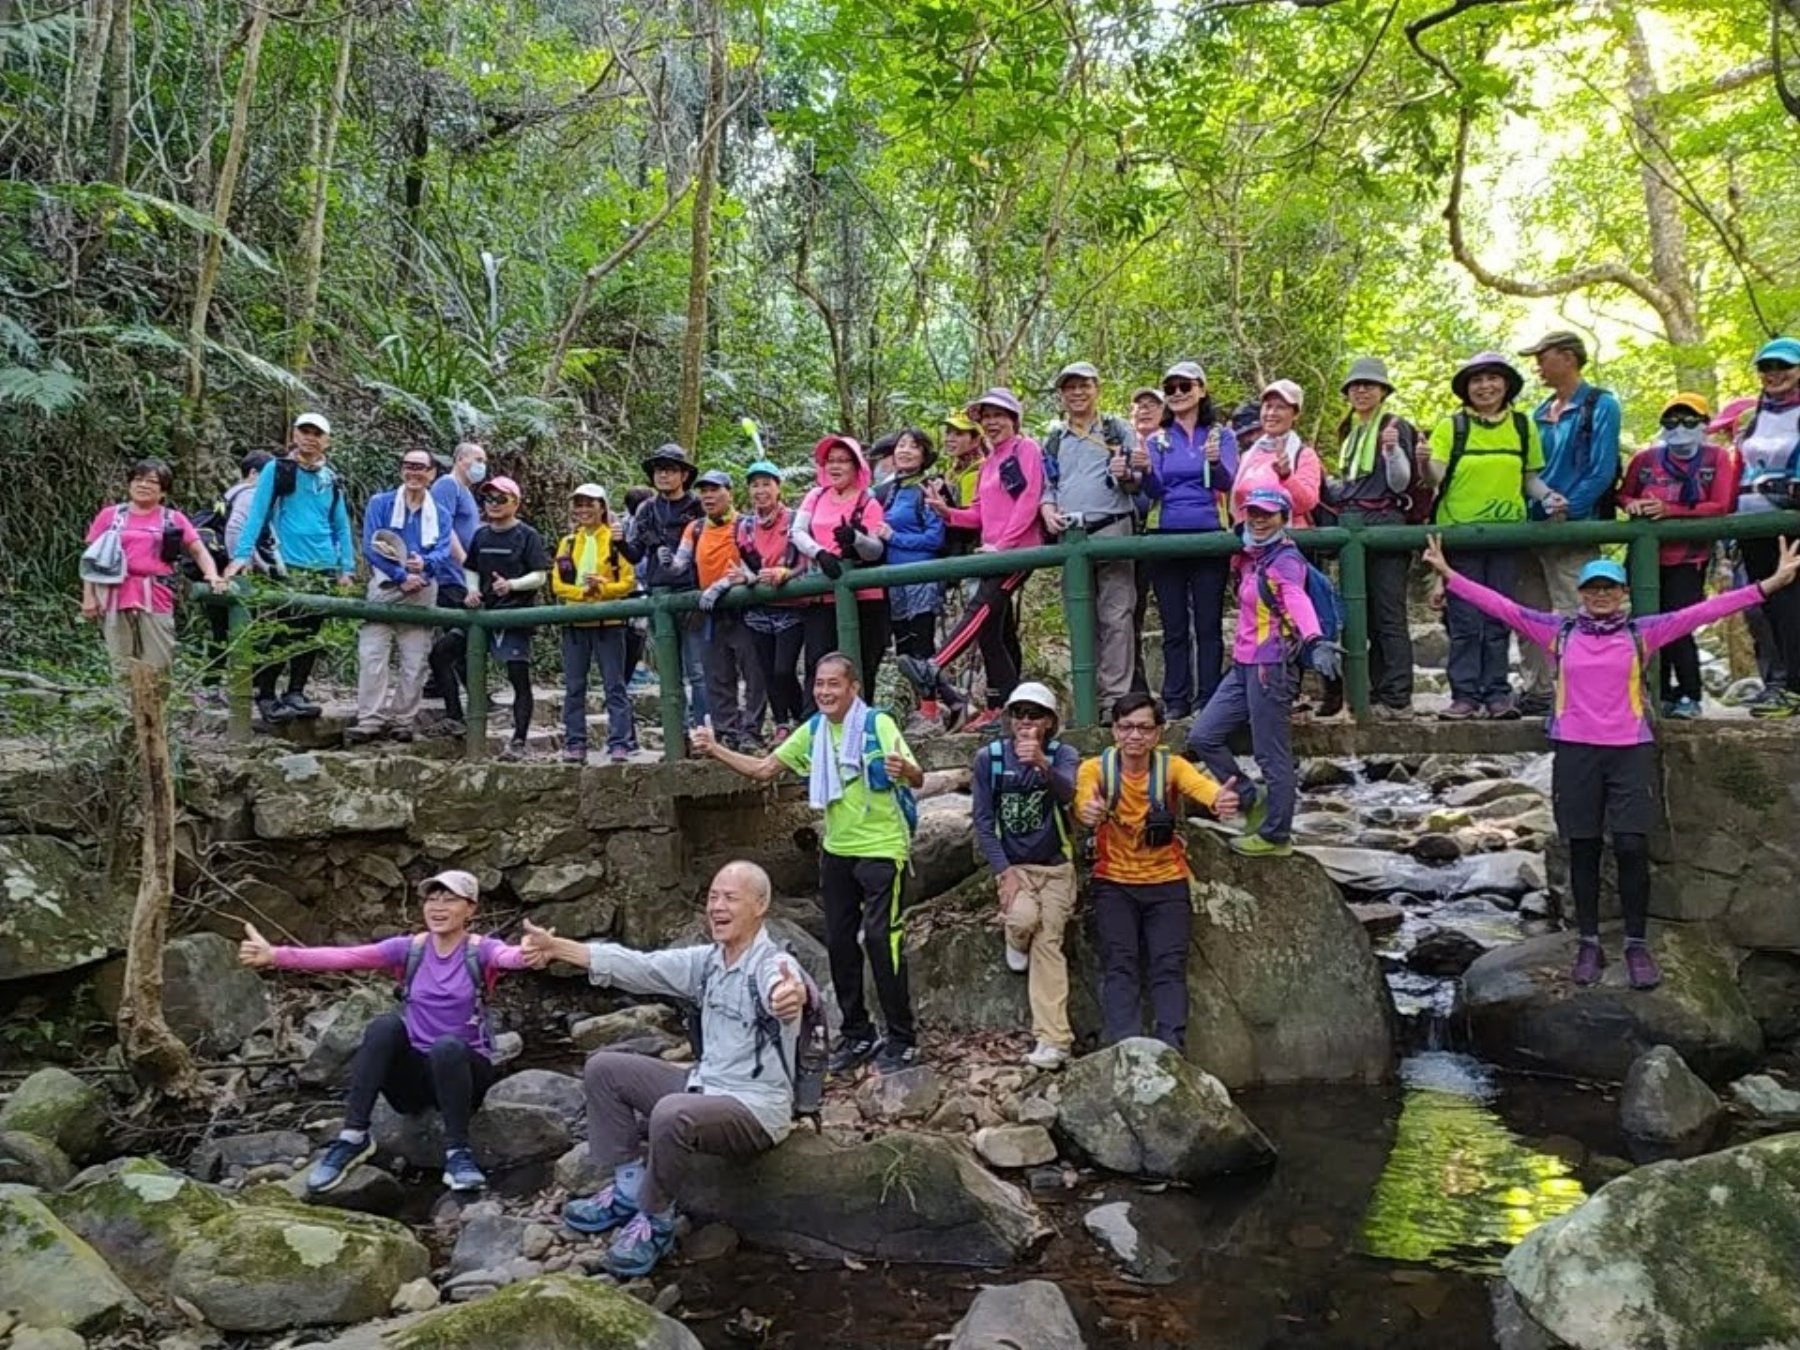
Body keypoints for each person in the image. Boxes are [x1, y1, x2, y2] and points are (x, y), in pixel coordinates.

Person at [1421, 535, 1800, 989]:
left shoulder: (1643, 632)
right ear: (1582, 593)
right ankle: (1589, 941)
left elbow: (1706, 611)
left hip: (1629, 751)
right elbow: (1501, 606)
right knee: (1583, 848)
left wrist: (1772, 583)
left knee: (1631, 845)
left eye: (1609, 588)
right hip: (1575, 751)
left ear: (1623, 593)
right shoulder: (1559, 632)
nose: (1601, 595)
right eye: (1593, 588)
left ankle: (1636, 943)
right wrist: (1449, 574)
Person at [522, 861, 807, 1278]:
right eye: (713, 896)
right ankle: (627, 1188)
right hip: (703, 1085)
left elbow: (786, 990)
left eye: (730, 898)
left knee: (672, 1112)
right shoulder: (707, 962)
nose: (717, 906)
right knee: (604, 1067)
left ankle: (655, 1220)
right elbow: (641, 966)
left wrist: (789, 996)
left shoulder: (773, 965)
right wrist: (559, 948)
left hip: (755, 1108)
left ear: (760, 905)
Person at [693, 653, 924, 1075]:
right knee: (839, 941)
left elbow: (918, 777)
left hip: (883, 848)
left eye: (834, 684)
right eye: (819, 684)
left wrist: (905, 768)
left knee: (881, 939)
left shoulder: (877, 725)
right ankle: (857, 1033)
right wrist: (714, 749)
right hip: (837, 850)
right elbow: (764, 769)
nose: (825, 692)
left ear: (853, 688)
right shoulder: (814, 730)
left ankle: (902, 1038)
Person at [237, 870, 535, 1194]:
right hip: (415, 1083)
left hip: (464, 1075)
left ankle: (458, 1154)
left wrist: (531, 952)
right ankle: (353, 1136)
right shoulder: (409, 949)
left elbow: (511, 956)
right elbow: (345, 957)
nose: (438, 906)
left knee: (447, 1046)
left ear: (470, 908)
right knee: (385, 1026)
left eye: (449, 899)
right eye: (432, 898)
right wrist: (276, 955)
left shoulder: (482, 951)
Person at [1075, 693, 1239, 1050]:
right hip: (1113, 883)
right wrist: (1088, 811)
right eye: (1126, 727)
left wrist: (1219, 799)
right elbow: (1084, 801)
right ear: (1114, 731)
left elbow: (1201, 788)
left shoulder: (1173, 767)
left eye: (1144, 728)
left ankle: (1171, 1048)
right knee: (1120, 964)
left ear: (1158, 733)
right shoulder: (1095, 769)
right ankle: (1126, 1048)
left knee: (1169, 966)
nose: (1134, 736)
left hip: (1167, 883)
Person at [1188, 486, 1337, 858]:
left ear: (1284, 518)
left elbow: (1295, 598)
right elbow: (1242, 533)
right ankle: (1248, 796)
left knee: (1271, 754)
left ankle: (1276, 835)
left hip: (1271, 665)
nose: (1258, 519)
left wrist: (1315, 638)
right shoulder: (1253, 554)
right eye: (1253, 512)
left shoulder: (1285, 561)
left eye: (1267, 514)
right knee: (1204, 735)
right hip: (1243, 665)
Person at [1427, 352, 1562, 720]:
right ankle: (1465, 696)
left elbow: (1529, 480)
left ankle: (1498, 695)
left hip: (1506, 537)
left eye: (1492, 378)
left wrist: (1549, 497)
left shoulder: (1522, 425)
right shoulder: (1451, 426)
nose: (1485, 386)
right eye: (1477, 380)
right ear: (1466, 388)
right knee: (1465, 620)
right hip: (1460, 536)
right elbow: (1434, 477)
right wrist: (1423, 461)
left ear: (1506, 384)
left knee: (1499, 616)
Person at [909, 388, 1047, 733]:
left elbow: (1029, 499)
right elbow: (978, 514)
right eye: (986, 417)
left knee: (981, 608)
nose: (992, 422)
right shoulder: (989, 464)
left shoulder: (1025, 449)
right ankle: (1006, 709)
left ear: (1014, 419)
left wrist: (1004, 545)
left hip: (1017, 551)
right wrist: (947, 512)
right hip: (991, 553)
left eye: (999, 415)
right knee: (990, 634)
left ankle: (934, 665)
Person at [971, 681, 1080, 1070]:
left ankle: (1054, 1039)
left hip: (1055, 868)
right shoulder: (990, 759)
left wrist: (1041, 765)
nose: (1025, 721)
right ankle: (1015, 939)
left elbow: (1070, 795)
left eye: (1034, 715)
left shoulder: (1063, 754)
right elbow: (983, 821)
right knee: (1022, 920)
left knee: (1048, 943)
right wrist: (1004, 872)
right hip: (1016, 867)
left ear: (1049, 721)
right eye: (1018, 713)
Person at [222, 412, 356, 727]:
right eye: (304, 431)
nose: (310, 438)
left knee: (310, 633)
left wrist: (346, 568)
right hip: (288, 563)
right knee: (283, 629)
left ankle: (296, 691)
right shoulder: (278, 469)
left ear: (327, 441)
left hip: (323, 565)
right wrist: (241, 556)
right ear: (294, 435)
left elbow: (341, 525)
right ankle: (266, 694)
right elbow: (257, 514)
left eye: (316, 433)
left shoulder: (331, 479)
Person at [1517, 332, 1625, 717]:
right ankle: (1537, 690)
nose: (1538, 366)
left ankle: (1580, 690)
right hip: (1531, 526)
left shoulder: (1600, 404)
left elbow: (1602, 469)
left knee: (1575, 607)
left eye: (1542, 357)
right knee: (1530, 611)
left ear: (1567, 357)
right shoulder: (1538, 413)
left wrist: (1571, 508)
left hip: (1575, 527)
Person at [1619, 393, 1740, 718]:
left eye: (1689, 420)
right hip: (1645, 558)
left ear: (1704, 424)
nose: (1680, 428)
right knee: (1646, 625)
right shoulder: (1646, 460)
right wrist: (1633, 504)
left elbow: (1720, 505)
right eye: (1671, 421)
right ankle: (1658, 694)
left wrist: (1669, 510)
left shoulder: (1716, 458)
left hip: (1689, 558)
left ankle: (1690, 694)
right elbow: (1624, 493)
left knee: (1678, 626)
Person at [1140, 361, 1239, 718]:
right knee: (1174, 625)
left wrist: (1214, 463)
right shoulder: (1157, 439)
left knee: (1208, 623)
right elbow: (1154, 490)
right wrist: (1144, 470)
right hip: (1165, 535)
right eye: (1171, 388)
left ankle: (1208, 698)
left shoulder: (1220, 436)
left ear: (1201, 389)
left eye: (1185, 386)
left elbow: (1227, 482)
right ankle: (1175, 698)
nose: (1178, 393)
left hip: (1209, 533)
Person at [1041, 362, 1142, 712]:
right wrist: (1047, 510)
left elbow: (1138, 481)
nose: (1077, 393)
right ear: (1061, 395)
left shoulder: (1117, 429)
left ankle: (1114, 699)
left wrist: (1126, 472)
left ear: (1097, 388)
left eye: (1084, 385)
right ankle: (1088, 700)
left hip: (1113, 525)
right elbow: (1048, 485)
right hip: (1071, 535)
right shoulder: (1055, 439)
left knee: (1117, 615)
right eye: (1070, 387)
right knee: (1081, 618)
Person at [428, 476, 550, 757]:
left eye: (500, 499)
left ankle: (519, 740)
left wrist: (512, 585)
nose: (493, 504)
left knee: (518, 676)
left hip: (514, 615)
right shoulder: (481, 535)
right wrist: (472, 590)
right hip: (481, 614)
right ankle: (455, 716)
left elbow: (540, 575)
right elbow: (471, 567)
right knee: (441, 653)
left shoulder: (527, 535)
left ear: (515, 503)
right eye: (488, 499)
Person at [1325, 357, 1419, 719]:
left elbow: (1400, 482)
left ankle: (1397, 696)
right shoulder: (1351, 435)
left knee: (1389, 613)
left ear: (1383, 391)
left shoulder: (1395, 427)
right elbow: (1350, 486)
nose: (1361, 391)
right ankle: (1373, 691)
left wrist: (1392, 451)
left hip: (1385, 524)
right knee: (1360, 614)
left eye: (1369, 385)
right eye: (1355, 386)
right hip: (1353, 524)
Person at [81, 458, 229, 675]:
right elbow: (90, 560)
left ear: (163, 491)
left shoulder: (173, 519)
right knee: (122, 663)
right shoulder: (110, 516)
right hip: (114, 593)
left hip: (156, 592)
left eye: (152, 481)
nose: (143, 485)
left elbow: (198, 550)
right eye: (138, 479)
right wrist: (89, 597)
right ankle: (126, 699)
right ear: (130, 484)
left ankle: (154, 699)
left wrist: (212, 575)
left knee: (158, 664)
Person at [347, 452, 452, 744]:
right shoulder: (381, 503)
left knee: (415, 659)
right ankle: (370, 719)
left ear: (432, 473)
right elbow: (371, 545)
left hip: (422, 589)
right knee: (372, 653)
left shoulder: (440, 513)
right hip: (385, 585)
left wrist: (425, 565)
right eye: (408, 466)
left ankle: (403, 719)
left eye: (420, 467)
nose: (413, 472)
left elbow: (443, 549)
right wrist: (400, 574)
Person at [1730, 337, 1800, 718]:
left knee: (1791, 603)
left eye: (1783, 366)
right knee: (1764, 604)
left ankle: (1795, 688)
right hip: (1749, 522)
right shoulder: (1755, 415)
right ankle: (1779, 683)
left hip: (1787, 523)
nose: (1774, 374)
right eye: (1766, 367)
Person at [789, 436, 890, 694]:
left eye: (843, 461)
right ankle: (816, 717)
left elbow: (876, 549)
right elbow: (797, 531)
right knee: (817, 664)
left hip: (865, 597)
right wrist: (820, 553)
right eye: (830, 461)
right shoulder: (816, 496)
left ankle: (861, 715)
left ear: (856, 466)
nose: (835, 466)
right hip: (822, 592)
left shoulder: (868, 502)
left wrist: (855, 538)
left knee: (861, 666)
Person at [679, 470, 766, 750]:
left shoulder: (746, 525)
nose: (708, 496)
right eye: (704, 491)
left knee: (754, 671)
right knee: (716, 674)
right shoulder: (695, 529)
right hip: (710, 611)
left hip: (744, 608)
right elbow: (680, 564)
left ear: (729, 492)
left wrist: (729, 582)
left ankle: (751, 731)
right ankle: (727, 731)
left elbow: (757, 566)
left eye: (715, 490)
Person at [622, 445, 706, 730]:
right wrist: (619, 542)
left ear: (684, 475)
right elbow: (635, 554)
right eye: (659, 470)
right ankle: (677, 731)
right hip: (658, 591)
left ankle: (703, 730)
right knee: (670, 671)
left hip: (691, 591)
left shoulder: (697, 506)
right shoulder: (647, 509)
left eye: (670, 470)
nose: (663, 475)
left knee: (697, 669)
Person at [552, 484, 637, 763]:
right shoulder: (568, 543)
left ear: (602, 507)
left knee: (614, 685)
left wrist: (603, 588)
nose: (584, 510)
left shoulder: (614, 541)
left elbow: (628, 581)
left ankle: (620, 742)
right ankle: (574, 742)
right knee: (574, 687)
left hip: (609, 623)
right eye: (579, 504)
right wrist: (582, 593)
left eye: (590, 504)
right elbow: (557, 584)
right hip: (574, 622)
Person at [873, 429, 950, 732]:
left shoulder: (928, 489)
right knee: (904, 648)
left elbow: (935, 538)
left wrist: (894, 537)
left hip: (921, 575)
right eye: (901, 445)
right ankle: (938, 704)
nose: (905, 451)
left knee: (922, 645)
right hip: (894, 579)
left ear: (924, 455)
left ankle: (931, 711)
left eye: (913, 446)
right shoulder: (890, 491)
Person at [737, 461, 806, 743]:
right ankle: (781, 723)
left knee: (783, 669)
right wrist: (747, 577)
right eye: (754, 485)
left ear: (779, 487)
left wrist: (785, 573)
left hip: (792, 606)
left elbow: (805, 561)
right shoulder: (745, 526)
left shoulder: (795, 519)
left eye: (766, 484)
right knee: (768, 671)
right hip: (758, 607)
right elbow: (743, 562)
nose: (760, 491)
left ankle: (803, 718)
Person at [195, 449, 273, 699]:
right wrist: (240, 564)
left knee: (221, 629)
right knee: (245, 627)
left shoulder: (230, 494)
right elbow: (236, 528)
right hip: (230, 572)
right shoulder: (250, 494)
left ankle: (213, 684)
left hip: (217, 568)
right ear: (254, 473)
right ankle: (242, 685)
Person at [424, 442, 487, 705]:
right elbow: (444, 526)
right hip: (450, 575)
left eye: (484, 461)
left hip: (463, 576)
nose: (482, 465)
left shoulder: (466, 492)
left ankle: (438, 684)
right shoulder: (447, 486)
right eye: (477, 459)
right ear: (460, 459)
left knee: (460, 637)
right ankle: (473, 699)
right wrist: (464, 561)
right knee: (460, 636)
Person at [1232, 380, 1322, 527]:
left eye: (1280, 407)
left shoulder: (1304, 455)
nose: (1271, 413)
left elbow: (1307, 503)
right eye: (1268, 406)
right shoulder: (1248, 456)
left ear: (1295, 414)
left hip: (1289, 537)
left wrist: (1287, 477)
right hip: (1251, 535)